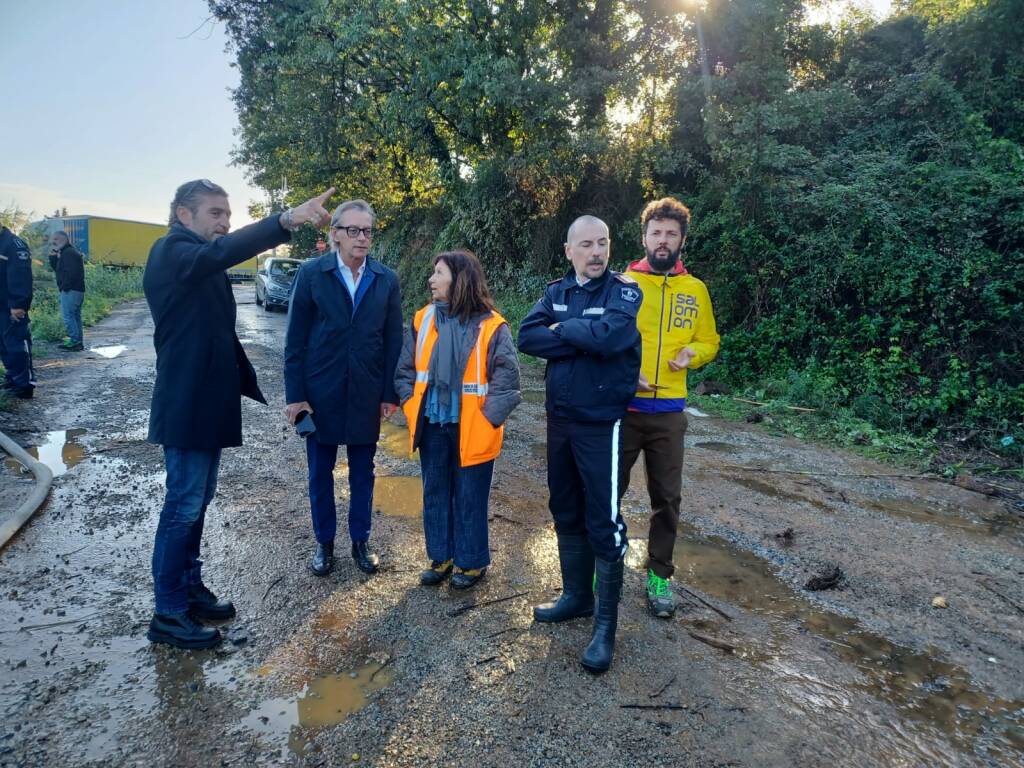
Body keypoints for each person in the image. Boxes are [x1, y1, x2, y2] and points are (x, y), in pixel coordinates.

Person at [144, 178, 334, 649]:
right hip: (186, 401)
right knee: (182, 505)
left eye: (227, 214)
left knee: (197, 502)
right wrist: (285, 220)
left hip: (208, 401)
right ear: (184, 215)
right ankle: (168, 611)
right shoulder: (172, 251)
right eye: (215, 213)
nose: (225, 223)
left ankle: (188, 588)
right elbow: (220, 254)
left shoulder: (197, 260)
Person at [517, 215, 642, 674]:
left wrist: (562, 332)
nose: (596, 252)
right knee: (564, 507)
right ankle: (576, 597)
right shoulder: (556, 293)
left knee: (603, 520)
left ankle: (604, 629)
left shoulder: (625, 292)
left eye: (603, 243)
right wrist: (581, 338)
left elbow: (611, 338)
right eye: (586, 244)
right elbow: (527, 336)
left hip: (600, 423)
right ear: (568, 250)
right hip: (560, 420)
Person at [284, 200, 403, 578]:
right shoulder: (312, 274)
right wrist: (295, 396)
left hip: (366, 391)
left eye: (367, 230)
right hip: (320, 392)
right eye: (353, 230)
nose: (362, 238)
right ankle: (324, 543)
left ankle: (360, 541)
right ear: (334, 234)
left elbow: (393, 342)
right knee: (320, 472)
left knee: (363, 472)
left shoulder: (386, 279)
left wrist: (390, 393)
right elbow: (295, 341)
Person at [394, 249, 521, 589]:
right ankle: (441, 556)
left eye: (438, 273)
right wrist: (410, 406)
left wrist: (486, 420)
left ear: (459, 279)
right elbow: (405, 371)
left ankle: (472, 561)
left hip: (473, 428)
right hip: (432, 423)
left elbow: (507, 382)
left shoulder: (492, 325)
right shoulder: (422, 319)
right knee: (434, 491)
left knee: (470, 495)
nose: (431, 280)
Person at [620, 197, 720, 618]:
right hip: (623, 409)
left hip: (669, 413)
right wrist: (626, 376)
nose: (663, 241)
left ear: (681, 240)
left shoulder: (695, 290)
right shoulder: (623, 284)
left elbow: (710, 341)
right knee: (608, 492)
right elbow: (604, 340)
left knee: (667, 498)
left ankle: (659, 573)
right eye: (656, 233)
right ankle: (605, 560)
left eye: (671, 234)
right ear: (644, 237)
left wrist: (691, 355)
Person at [0, 225, 35, 399]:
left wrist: (19, 304)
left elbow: (21, 276)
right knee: (4, 346)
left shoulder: (13, 244)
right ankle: (13, 377)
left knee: (16, 345)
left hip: (12, 306)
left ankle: (24, 384)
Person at [49, 231, 86, 351]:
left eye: (56, 239)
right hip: (76, 289)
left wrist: (65, 287)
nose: (53, 241)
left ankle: (75, 341)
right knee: (75, 316)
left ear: (64, 239)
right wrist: (53, 256)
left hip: (71, 290)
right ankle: (77, 341)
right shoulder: (66, 252)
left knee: (68, 316)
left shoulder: (69, 253)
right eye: (53, 239)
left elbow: (71, 273)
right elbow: (57, 269)